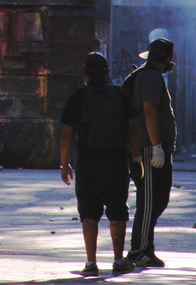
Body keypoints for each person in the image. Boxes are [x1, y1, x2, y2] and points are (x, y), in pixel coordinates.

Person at [60, 52, 143, 277]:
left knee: (89, 212)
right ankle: (118, 261)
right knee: (117, 211)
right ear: (107, 72)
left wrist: (64, 164)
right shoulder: (120, 94)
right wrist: (137, 158)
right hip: (117, 163)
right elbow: (132, 130)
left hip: (87, 163)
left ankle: (90, 263)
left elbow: (67, 134)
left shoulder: (78, 97)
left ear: (85, 73)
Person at [125, 38, 177, 268]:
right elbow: (149, 111)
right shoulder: (150, 77)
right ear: (166, 58)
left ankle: (144, 246)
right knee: (148, 201)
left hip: (153, 147)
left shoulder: (148, 75)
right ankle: (139, 249)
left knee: (158, 199)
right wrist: (156, 146)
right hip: (148, 147)